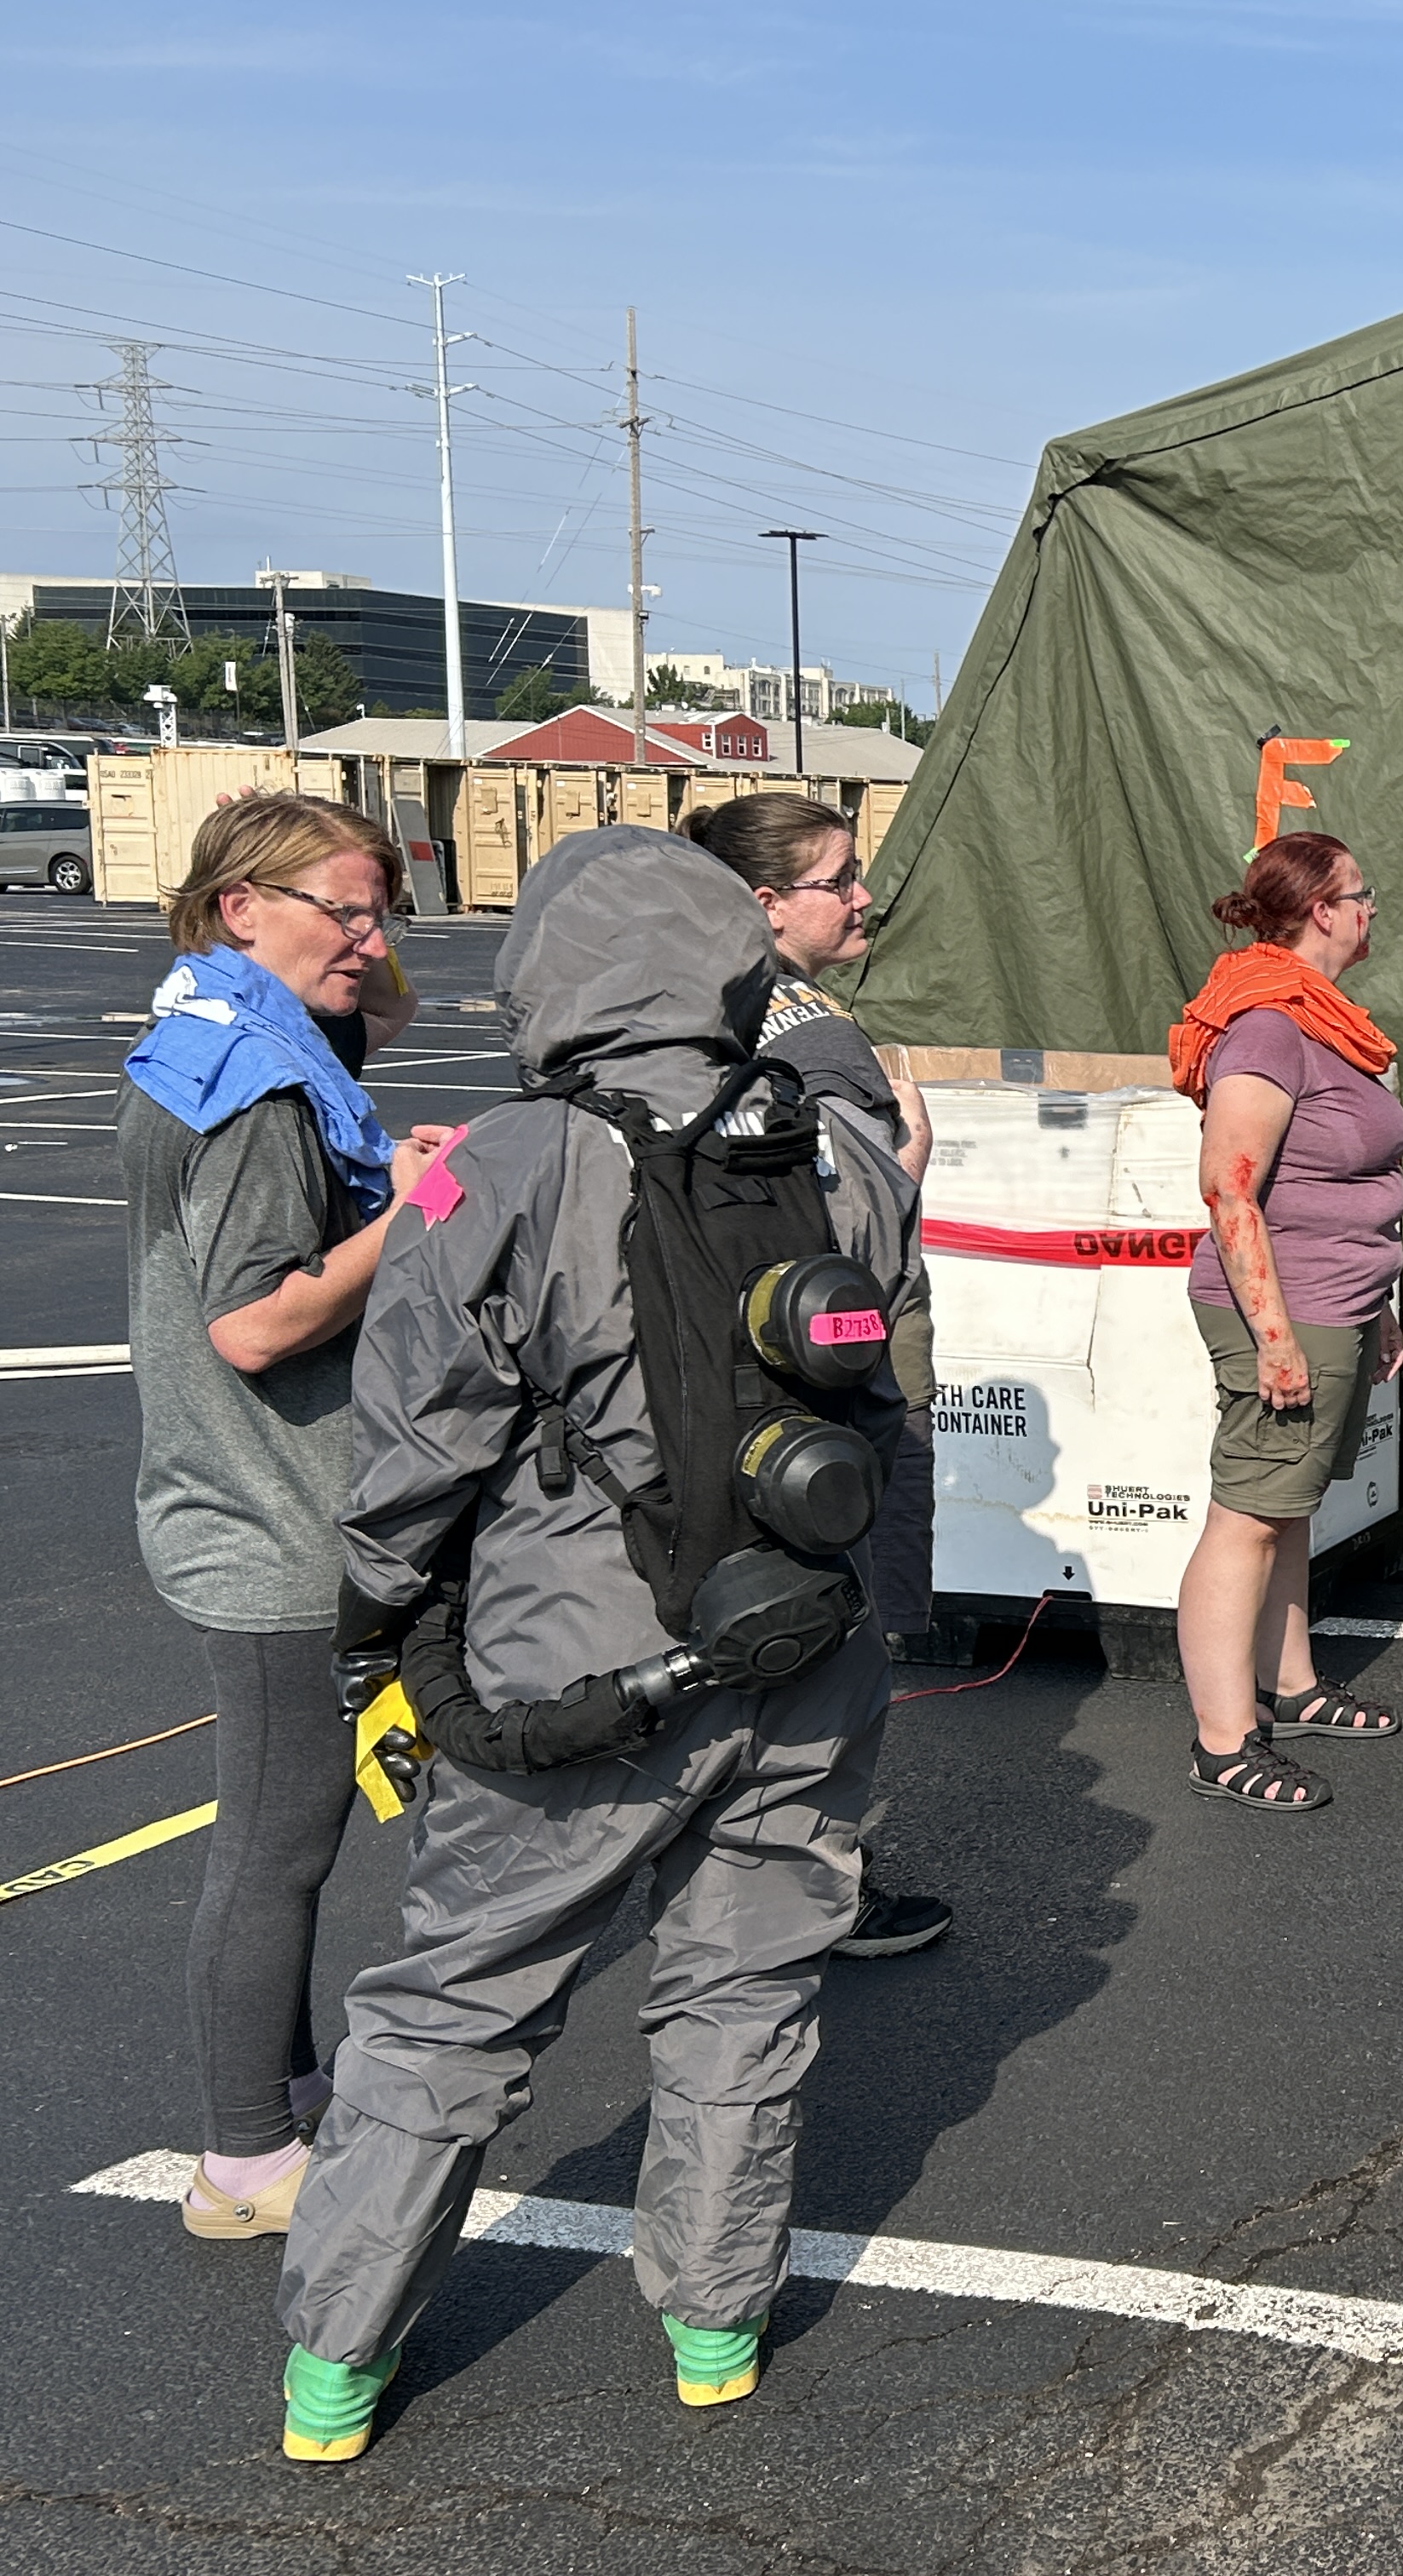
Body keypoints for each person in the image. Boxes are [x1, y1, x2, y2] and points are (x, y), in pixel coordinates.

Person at [273, 826, 921, 2459]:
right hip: (803, 1634)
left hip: (572, 1664)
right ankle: (714, 2322)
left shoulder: (494, 1160)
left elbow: (414, 1438)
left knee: (453, 2005)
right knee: (745, 1985)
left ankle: (336, 2364)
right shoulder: (837, 1147)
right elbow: (879, 1220)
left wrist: (374, 1626)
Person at [121, 796, 448, 2245]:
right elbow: (258, 1321)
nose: (373, 942)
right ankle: (243, 2158)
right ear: (239, 905)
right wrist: (422, 1202)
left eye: (383, 910)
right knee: (276, 1843)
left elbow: (378, 1001)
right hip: (266, 1516)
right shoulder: (259, 1088)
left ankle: (278, 2085)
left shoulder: (214, 1036)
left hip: (241, 1494)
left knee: (287, 1834)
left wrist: (348, 931)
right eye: (347, 909)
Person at [686, 793, 951, 1958]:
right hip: (835, 1382)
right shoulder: (814, 1035)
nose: (863, 896)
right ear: (762, 902)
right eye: (838, 877)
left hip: (718, 1385)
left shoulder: (685, 1017)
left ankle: (755, 1867)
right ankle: (820, 1885)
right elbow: (854, 1228)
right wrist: (905, 1170)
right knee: (842, 1640)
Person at [1167, 831, 1403, 1814]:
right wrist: (1273, 1336)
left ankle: (1294, 1685)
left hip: (1336, 1305)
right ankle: (1224, 1742)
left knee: (1289, 1509)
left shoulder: (1325, 1022)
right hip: (1286, 1311)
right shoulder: (1269, 1026)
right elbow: (1230, 1188)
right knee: (1249, 1517)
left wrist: (1379, 1310)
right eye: (1363, 894)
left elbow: (1359, 1184)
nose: (1372, 909)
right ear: (1322, 910)